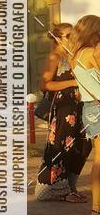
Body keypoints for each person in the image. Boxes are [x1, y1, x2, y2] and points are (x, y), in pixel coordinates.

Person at [35, 23, 91, 203]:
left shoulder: (74, 55)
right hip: (63, 109)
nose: (72, 38)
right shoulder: (55, 56)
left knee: (82, 145)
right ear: (58, 38)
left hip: (78, 107)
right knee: (62, 145)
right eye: (68, 35)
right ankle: (55, 189)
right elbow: (45, 85)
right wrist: (73, 83)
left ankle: (70, 187)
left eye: (74, 34)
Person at [70, 14, 100, 215]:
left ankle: (97, 208)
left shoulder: (76, 55)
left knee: (98, 159)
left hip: (90, 108)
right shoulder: (91, 53)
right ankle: (97, 207)